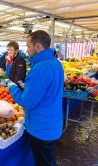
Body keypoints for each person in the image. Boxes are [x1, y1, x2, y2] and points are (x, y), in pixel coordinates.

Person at [8, 30, 64, 166]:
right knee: (48, 159)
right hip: (52, 123)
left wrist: (12, 88)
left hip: (41, 128)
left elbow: (27, 102)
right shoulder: (56, 64)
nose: (26, 50)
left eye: (28, 46)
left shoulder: (39, 68)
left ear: (38, 46)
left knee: (45, 162)